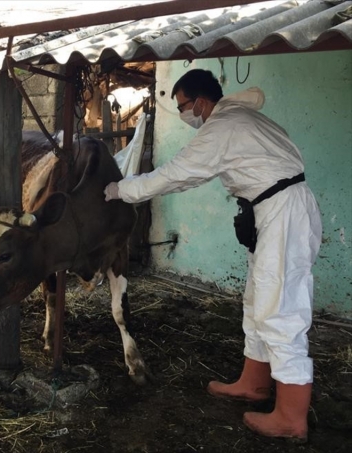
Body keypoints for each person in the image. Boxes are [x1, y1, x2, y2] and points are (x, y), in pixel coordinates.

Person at [104, 69, 322, 443]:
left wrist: (121, 189)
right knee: (257, 300)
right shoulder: (242, 119)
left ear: (201, 102)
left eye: (183, 106)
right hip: (275, 210)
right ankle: (254, 383)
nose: (184, 114)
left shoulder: (223, 127)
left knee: (280, 308)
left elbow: (175, 175)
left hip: (283, 213)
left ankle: (290, 416)